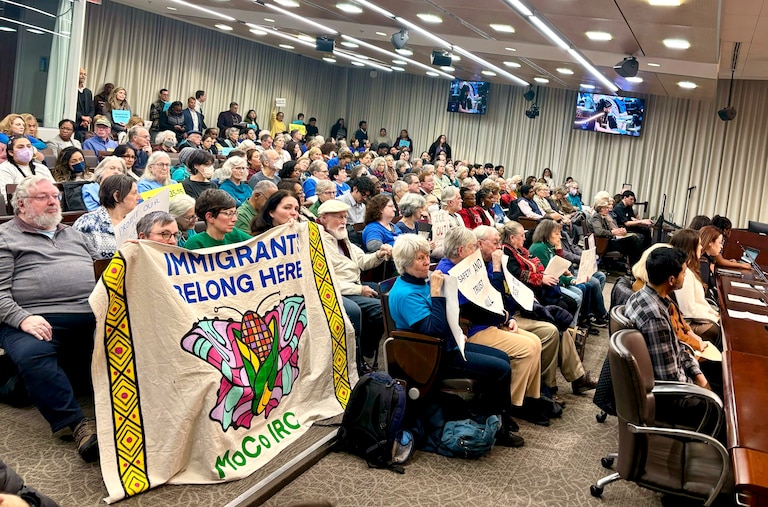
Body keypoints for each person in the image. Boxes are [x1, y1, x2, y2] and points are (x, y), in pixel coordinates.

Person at [388, 234, 525, 447]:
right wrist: (437, 294)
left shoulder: (421, 280)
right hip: (430, 356)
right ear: (405, 264)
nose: (427, 262)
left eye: (426, 256)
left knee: (502, 357)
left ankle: (488, 415)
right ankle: (499, 428)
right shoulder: (406, 294)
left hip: (447, 345)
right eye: (420, 259)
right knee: (500, 369)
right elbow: (435, 330)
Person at [0, 175, 100, 462]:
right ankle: (76, 424)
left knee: (137, 333)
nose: (53, 201)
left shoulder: (75, 235)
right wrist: (22, 319)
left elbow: (102, 275)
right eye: (43, 197)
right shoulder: (5, 237)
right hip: (34, 317)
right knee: (33, 352)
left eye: (55, 196)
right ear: (21, 205)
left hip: (90, 311)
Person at [435, 228, 550, 426]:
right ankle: (513, 404)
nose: (476, 251)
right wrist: (502, 318)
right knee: (527, 348)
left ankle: (530, 398)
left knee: (535, 342)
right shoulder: (450, 273)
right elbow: (471, 311)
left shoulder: (469, 265)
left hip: (488, 321)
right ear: (462, 250)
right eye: (473, 247)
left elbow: (492, 297)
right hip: (472, 330)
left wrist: (505, 318)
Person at [474, 225, 595, 397]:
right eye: (495, 243)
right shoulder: (491, 264)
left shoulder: (505, 257)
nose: (498, 247)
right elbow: (496, 298)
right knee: (552, 330)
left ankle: (578, 377)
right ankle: (547, 387)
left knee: (559, 325)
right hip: (507, 315)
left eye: (499, 243)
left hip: (518, 307)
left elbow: (528, 275)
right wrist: (496, 269)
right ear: (479, 244)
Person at [624, 247, 711, 389]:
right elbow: (672, 379)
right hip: (672, 395)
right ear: (671, 280)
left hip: (666, 378)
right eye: (683, 273)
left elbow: (675, 347)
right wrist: (703, 387)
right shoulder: (655, 318)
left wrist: (698, 375)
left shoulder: (639, 296)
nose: (685, 276)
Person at [316, 199, 390, 362]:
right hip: (340, 291)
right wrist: (359, 290)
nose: (344, 221)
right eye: (339, 217)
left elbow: (362, 261)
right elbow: (326, 279)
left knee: (389, 296)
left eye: (344, 217)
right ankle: (362, 353)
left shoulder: (341, 236)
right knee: (379, 308)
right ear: (323, 218)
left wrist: (379, 254)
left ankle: (367, 350)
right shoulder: (318, 242)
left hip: (355, 285)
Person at [529, 219, 606, 331]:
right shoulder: (540, 249)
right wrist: (570, 280)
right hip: (549, 285)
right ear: (546, 234)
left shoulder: (548, 247)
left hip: (559, 279)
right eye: (556, 234)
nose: (559, 236)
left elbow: (560, 267)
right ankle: (573, 327)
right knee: (579, 293)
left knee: (588, 285)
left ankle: (584, 319)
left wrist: (559, 250)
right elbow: (551, 273)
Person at [668, 228, 721, 345]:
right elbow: (688, 311)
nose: (702, 248)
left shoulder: (689, 269)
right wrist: (714, 318)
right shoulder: (684, 274)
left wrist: (714, 314)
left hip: (695, 319)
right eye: (699, 245)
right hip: (689, 324)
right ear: (690, 248)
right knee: (720, 331)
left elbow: (699, 302)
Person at [72, 174, 139, 259]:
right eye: (134, 193)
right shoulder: (87, 223)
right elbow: (78, 259)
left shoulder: (138, 221)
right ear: (117, 196)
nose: (139, 197)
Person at [185, 189, 252, 249]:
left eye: (235, 213)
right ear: (210, 217)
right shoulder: (195, 244)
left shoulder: (235, 234)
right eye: (229, 214)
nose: (235, 219)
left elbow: (257, 245)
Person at [589, 200, 643, 265]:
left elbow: (609, 229)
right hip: (602, 244)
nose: (608, 210)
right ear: (601, 209)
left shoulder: (603, 217)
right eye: (606, 208)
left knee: (633, 239)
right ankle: (637, 265)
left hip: (607, 241)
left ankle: (636, 264)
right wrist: (613, 232)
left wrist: (618, 231)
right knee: (632, 240)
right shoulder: (596, 217)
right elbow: (599, 232)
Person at [75, 68, 94, 142]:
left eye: (84, 74)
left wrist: (88, 119)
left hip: (85, 125)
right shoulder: (71, 89)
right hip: (74, 121)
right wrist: (82, 117)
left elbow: (92, 108)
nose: (83, 76)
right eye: (81, 74)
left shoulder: (88, 92)